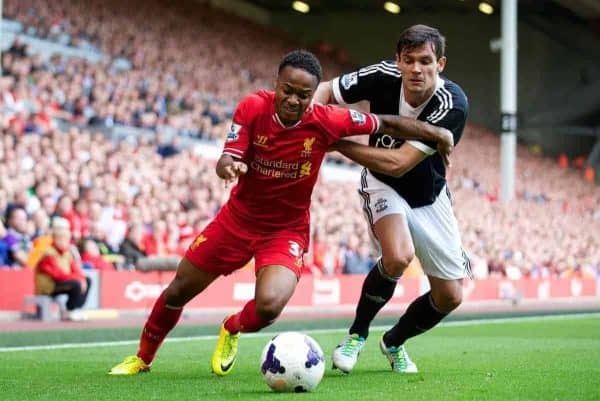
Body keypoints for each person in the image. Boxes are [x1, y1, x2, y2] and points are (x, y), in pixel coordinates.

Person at [108, 49, 454, 376]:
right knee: (178, 292)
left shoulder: (328, 119)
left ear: (312, 95)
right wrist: (228, 167)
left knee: (269, 307)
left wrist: (437, 132)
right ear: (276, 84)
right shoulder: (253, 107)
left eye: (303, 95)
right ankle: (142, 358)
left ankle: (232, 327)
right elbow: (227, 157)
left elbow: (386, 124)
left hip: (285, 230)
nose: (294, 100)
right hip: (236, 222)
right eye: (287, 90)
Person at [313, 24, 469, 374]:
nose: (417, 69)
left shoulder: (452, 103)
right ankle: (356, 335)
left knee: (451, 297)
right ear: (397, 61)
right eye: (409, 60)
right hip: (382, 184)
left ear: (440, 64)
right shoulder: (381, 75)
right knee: (398, 256)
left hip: (429, 196)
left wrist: (335, 141)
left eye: (426, 61)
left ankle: (394, 341)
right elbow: (324, 90)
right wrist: (308, 123)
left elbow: (399, 163)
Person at [35, 218, 91, 321]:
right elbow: (57, 275)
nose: (64, 242)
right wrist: (78, 279)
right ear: (55, 239)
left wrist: (81, 278)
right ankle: (70, 310)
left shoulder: (67, 253)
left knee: (87, 280)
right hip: (49, 286)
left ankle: (76, 309)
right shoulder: (48, 253)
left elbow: (76, 269)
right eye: (60, 239)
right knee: (76, 284)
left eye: (66, 239)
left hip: (61, 283)